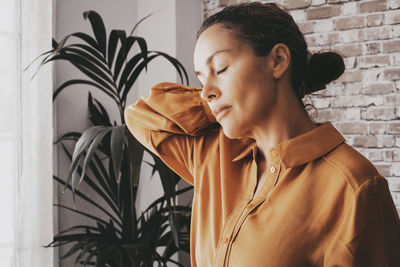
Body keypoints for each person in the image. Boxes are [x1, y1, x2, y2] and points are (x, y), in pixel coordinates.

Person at [125, 2, 400, 266]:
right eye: (200, 79)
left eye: (220, 69)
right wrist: (213, 103)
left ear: (278, 60)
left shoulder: (354, 187)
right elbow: (140, 116)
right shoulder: (214, 155)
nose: (206, 90)